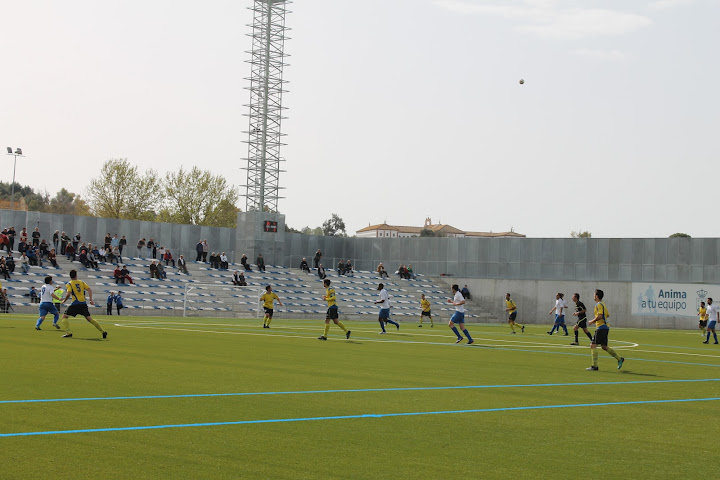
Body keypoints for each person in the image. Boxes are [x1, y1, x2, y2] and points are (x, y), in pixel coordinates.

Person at [59, 269, 108, 339]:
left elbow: (68, 293)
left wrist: (64, 300)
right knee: (89, 318)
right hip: (83, 304)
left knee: (64, 317)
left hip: (75, 304)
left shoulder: (69, 284)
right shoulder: (81, 282)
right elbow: (89, 289)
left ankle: (68, 332)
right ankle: (103, 331)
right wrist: (91, 300)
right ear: (76, 275)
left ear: (70, 276)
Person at [586, 289, 624, 371]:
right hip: (605, 327)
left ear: (596, 296)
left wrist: (591, 321)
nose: (593, 296)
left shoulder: (598, 305)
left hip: (601, 327)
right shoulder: (603, 304)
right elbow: (607, 315)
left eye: (594, 294)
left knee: (593, 345)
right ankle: (619, 358)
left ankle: (594, 366)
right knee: (604, 346)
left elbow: (600, 316)